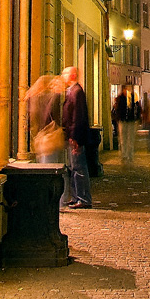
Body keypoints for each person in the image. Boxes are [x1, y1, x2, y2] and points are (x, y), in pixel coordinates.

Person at [60, 66, 92, 210]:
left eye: (64, 74)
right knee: (74, 167)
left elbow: (78, 116)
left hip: (76, 137)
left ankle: (83, 198)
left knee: (79, 168)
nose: (62, 76)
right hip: (72, 136)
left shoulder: (77, 92)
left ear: (72, 75)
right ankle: (76, 197)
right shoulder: (72, 91)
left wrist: (75, 137)